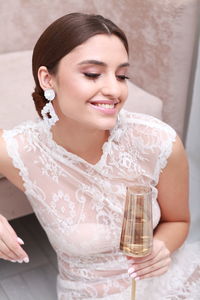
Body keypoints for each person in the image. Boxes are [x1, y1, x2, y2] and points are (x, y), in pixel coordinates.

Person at [0, 12, 199, 300]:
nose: (114, 89)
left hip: (162, 283)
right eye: (93, 74)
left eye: (121, 75)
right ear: (48, 79)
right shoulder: (21, 149)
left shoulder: (159, 142)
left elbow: (178, 221)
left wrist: (162, 247)